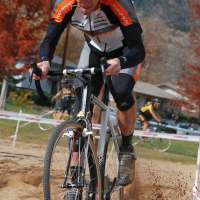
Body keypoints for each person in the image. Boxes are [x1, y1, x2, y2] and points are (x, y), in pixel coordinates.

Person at [35, 0, 145, 187]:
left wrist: (121, 61)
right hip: (93, 50)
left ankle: (126, 147)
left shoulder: (117, 4)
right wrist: (44, 61)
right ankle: (76, 170)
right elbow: (50, 39)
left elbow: (138, 49)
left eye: (89, 2)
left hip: (124, 50)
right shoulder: (66, 4)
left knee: (121, 91)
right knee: (80, 107)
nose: (84, 6)